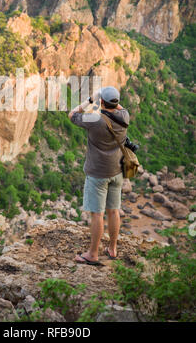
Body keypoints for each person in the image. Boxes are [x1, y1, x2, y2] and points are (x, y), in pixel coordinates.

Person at [68, 86, 129, 265]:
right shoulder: (125, 116)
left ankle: (92, 254)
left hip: (97, 174)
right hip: (117, 172)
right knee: (114, 211)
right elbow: (117, 107)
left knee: (97, 214)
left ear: (102, 102)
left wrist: (91, 100)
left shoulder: (94, 119)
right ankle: (112, 248)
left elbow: (72, 114)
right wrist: (108, 100)